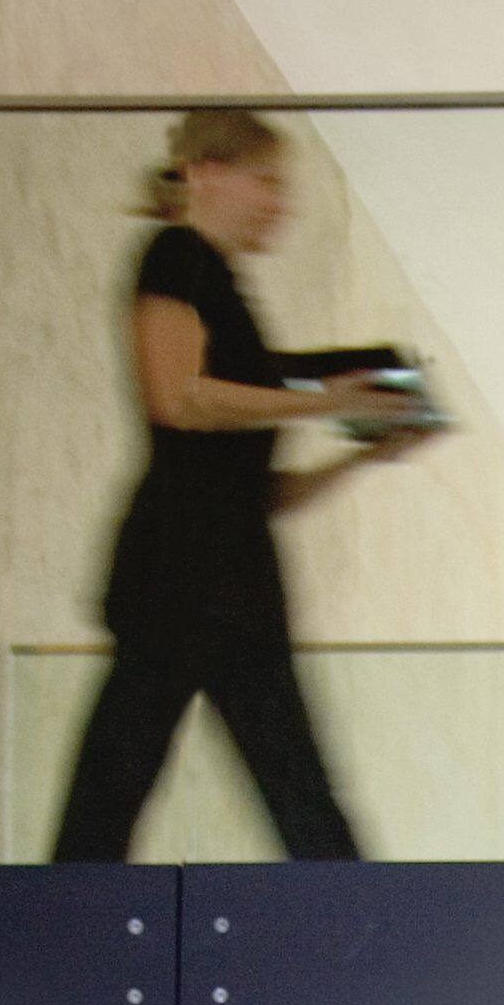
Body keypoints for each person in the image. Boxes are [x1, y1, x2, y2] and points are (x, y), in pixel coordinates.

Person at [51, 107, 433, 862]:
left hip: (227, 578)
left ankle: (354, 924)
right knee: (126, 803)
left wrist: (361, 455)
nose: (277, 203)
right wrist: (324, 402)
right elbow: (179, 397)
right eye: (265, 181)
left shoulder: (219, 284)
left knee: (291, 800)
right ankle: (357, 922)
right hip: (177, 579)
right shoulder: (175, 255)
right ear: (206, 173)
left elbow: (255, 490)